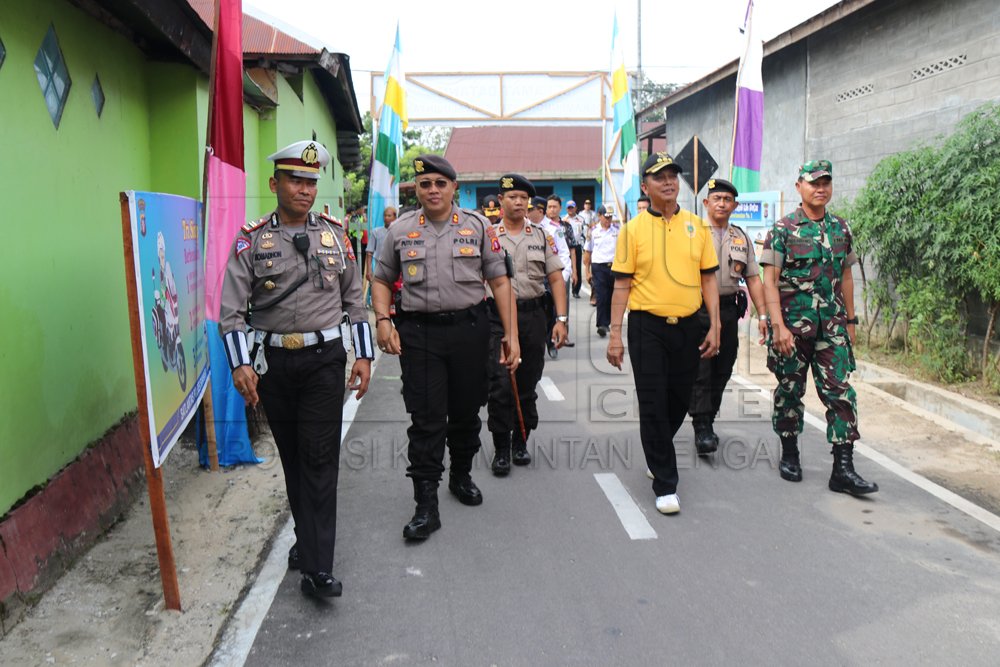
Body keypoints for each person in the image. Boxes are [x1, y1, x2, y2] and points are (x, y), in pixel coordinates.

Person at [219, 140, 374, 599]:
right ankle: (307, 538)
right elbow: (230, 314)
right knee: (294, 459)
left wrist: (362, 355)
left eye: (311, 181)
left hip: (325, 361)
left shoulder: (335, 235)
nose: (305, 189)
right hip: (274, 365)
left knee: (320, 458)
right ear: (275, 184)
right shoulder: (252, 240)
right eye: (295, 180)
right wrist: (240, 365)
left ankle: (317, 567)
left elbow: (354, 301)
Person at [371, 155, 521, 541]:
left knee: (467, 410)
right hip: (419, 335)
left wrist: (511, 334)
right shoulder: (400, 229)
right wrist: (383, 320)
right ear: (416, 190)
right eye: (425, 184)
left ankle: (461, 474)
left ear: (454, 187)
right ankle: (426, 503)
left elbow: (500, 282)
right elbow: (382, 277)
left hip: (470, 330)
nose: (433, 190)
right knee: (426, 417)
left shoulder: (478, 227)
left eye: (440, 183)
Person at [606, 151, 721, 515]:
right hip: (647, 327)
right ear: (645, 186)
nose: (669, 181)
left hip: (688, 326)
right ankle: (666, 483)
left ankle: (657, 449)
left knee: (680, 399)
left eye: (673, 175)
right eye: (660, 177)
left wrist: (715, 323)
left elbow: (708, 278)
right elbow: (621, 284)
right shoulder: (632, 230)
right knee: (654, 402)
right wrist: (614, 333)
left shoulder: (697, 226)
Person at [759, 160, 878, 495]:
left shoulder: (841, 228)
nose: (820, 188)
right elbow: (770, 281)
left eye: (826, 182)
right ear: (800, 186)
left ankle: (843, 468)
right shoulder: (783, 229)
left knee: (841, 393)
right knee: (789, 393)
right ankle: (790, 453)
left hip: (833, 328)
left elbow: (845, 276)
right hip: (792, 330)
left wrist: (851, 320)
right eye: (814, 183)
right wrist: (777, 325)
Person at [487, 174, 567, 475]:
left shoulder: (541, 236)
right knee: (500, 384)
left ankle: (521, 440)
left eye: (523, 197)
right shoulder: (488, 236)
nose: (518, 202)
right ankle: (501, 449)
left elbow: (556, 277)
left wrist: (561, 320)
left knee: (527, 383)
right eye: (512, 197)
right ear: (500, 201)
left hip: (533, 316)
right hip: (496, 318)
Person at [688, 179, 768, 454]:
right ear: (706, 203)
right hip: (695, 309)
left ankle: (708, 418)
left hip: (728, 310)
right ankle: (702, 426)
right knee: (701, 369)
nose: (722, 203)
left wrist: (764, 316)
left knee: (723, 367)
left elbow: (754, 278)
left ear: (734, 205)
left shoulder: (740, 237)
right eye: (717, 198)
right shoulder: (692, 233)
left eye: (727, 199)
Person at [542, 195, 576, 351]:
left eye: (555, 207)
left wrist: (569, 272)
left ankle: (561, 334)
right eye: (549, 207)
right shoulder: (538, 225)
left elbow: (569, 250)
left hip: (560, 272)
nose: (552, 210)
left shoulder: (564, 227)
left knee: (561, 306)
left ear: (560, 208)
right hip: (542, 276)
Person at [582, 205, 619, 338]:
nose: (608, 219)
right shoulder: (593, 231)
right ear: (599, 215)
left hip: (614, 267)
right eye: (606, 216)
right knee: (602, 295)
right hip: (598, 267)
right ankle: (602, 324)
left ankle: (608, 322)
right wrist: (587, 271)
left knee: (611, 296)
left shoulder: (617, 231)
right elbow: (587, 252)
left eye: (610, 216)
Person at [564, 200, 586, 298]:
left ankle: (575, 290)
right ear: (566, 209)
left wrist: (584, 246)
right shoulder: (563, 219)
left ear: (576, 208)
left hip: (577, 246)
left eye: (572, 207)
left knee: (577, 268)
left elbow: (584, 233)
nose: (570, 209)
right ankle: (564, 288)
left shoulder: (581, 219)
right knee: (566, 267)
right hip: (566, 247)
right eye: (569, 208)